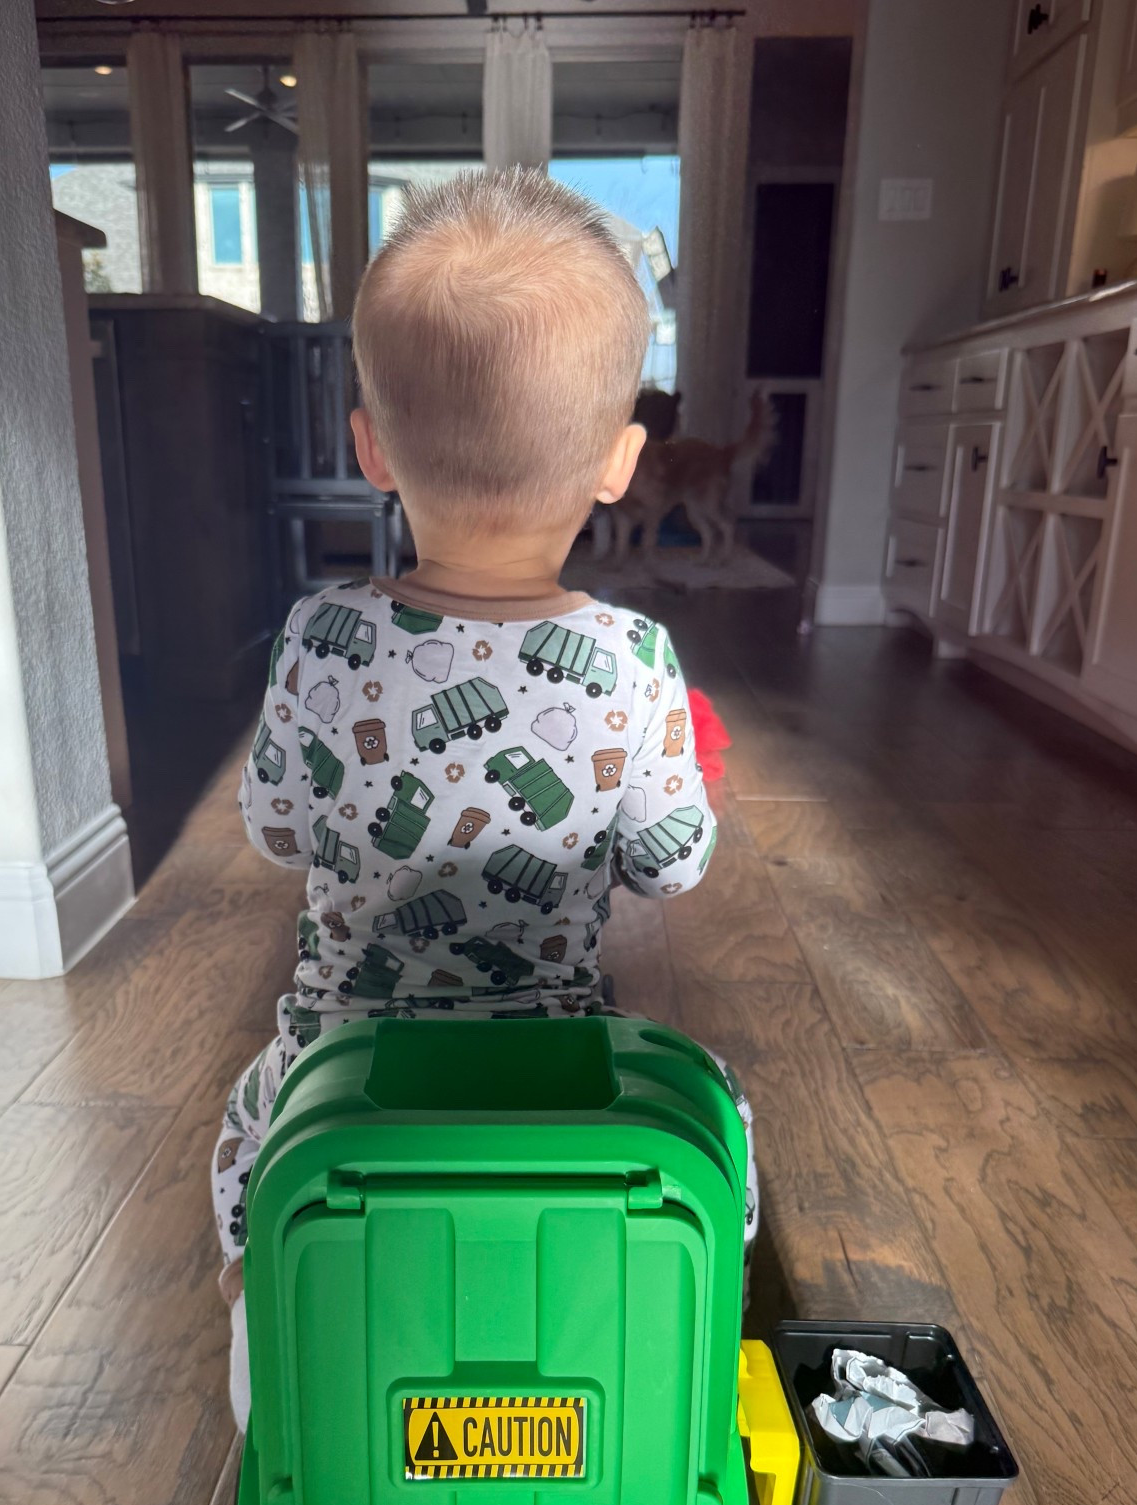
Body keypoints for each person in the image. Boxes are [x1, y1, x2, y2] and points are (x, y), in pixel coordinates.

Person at [214, 169, 755, 1425]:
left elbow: (274, 825)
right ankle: (649, 1354)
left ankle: (279, 1363)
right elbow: (673, 865)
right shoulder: (632, 661)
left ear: (370, 448)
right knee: (714, 1122)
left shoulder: (320, 634)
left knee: (255, 1149)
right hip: (553, 1057)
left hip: (338, 1059)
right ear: (623, 464)